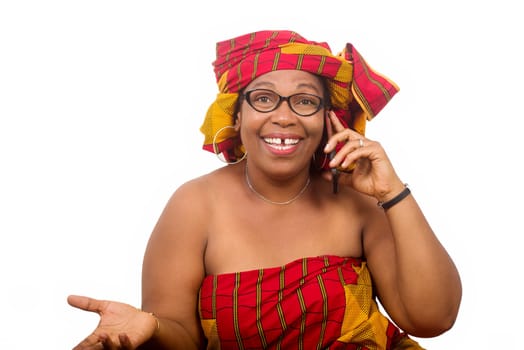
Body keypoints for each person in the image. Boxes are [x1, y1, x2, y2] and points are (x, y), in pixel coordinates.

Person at [68, 30, 462, 349]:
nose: (284, 116)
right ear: (236, 116)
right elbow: (184, 339)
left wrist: (391, 192)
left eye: (304, 101)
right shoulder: (195, 205)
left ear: (327, 120)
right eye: (264, 98)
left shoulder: (358, 201)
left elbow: (432, 319)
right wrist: (150, 327)